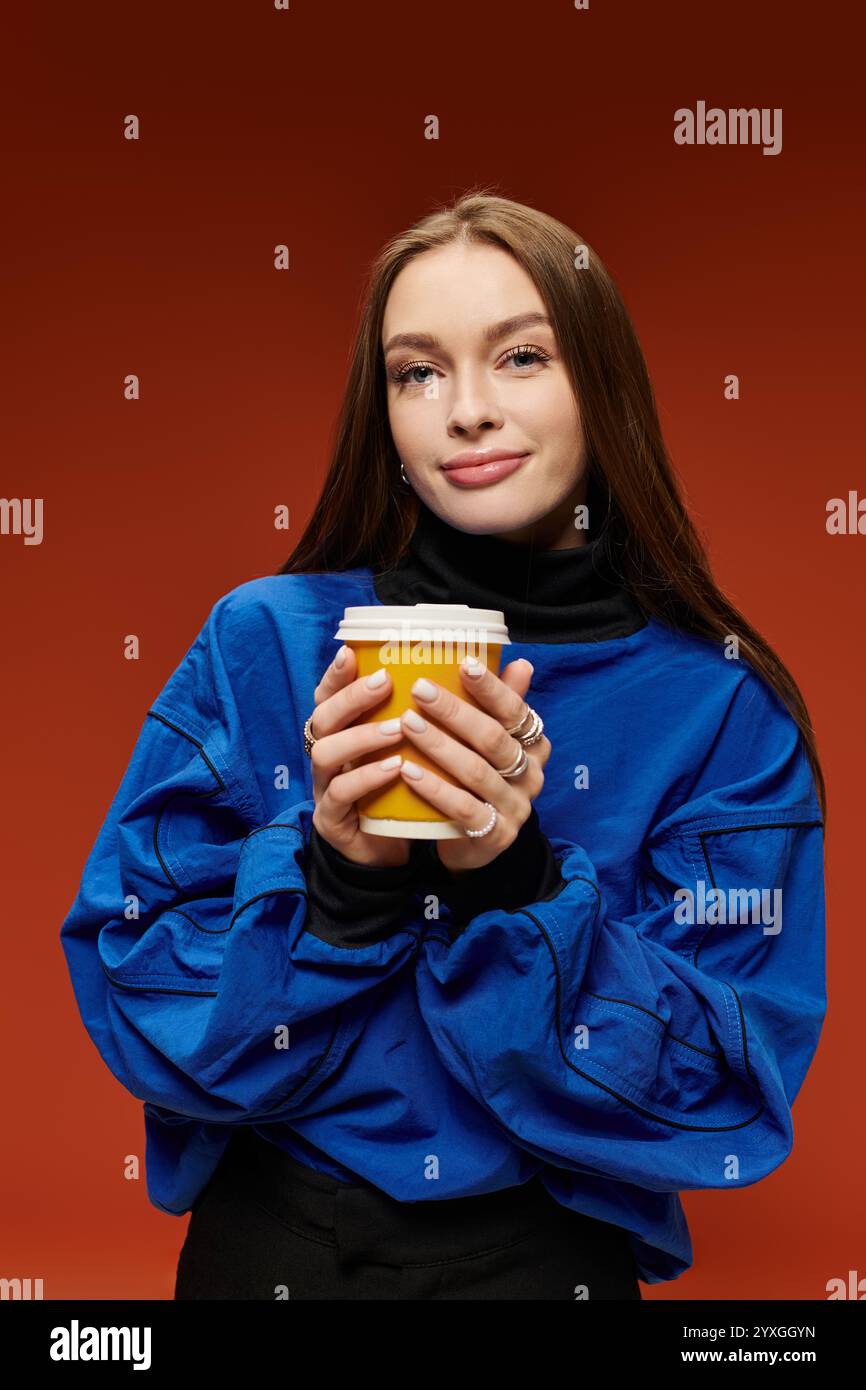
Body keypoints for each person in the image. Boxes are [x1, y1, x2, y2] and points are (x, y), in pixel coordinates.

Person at [60, 190, 827, 1301]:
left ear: (602, 387)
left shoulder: (717, 710)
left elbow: (727, 1085)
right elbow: (133, 984)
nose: (463, 410)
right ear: (384, 417)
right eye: (416, 371)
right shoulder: (263, 640)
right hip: (272, 1244)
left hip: (542, 1258)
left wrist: (511, 882)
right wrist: (332, 874)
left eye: (520, 357)